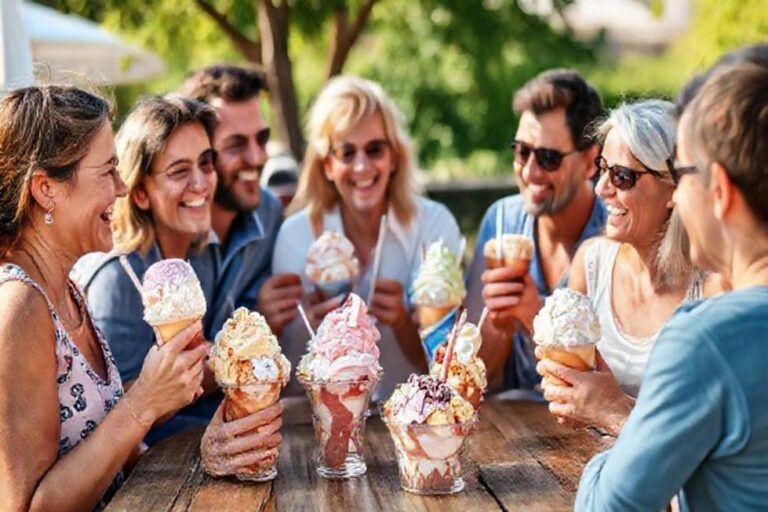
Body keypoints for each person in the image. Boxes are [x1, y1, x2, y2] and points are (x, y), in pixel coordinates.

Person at [0, 85, 209, 510]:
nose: (122, 186)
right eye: (108, 170)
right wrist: (144, 402)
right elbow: (26, 507)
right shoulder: (19, 306)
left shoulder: (68, 289)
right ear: (46, 189)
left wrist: (185, 420)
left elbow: (108, 455)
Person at [576, 61, 768, 511]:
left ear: (718, 189)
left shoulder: (707, 336)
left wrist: (621, 451)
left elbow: (610, 506)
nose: (681, 197)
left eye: (682, 177)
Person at [74, 95, 285, 467]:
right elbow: (106, 425)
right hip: (155, 474)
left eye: (206, 163)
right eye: (179, 171)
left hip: (211, 450)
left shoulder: (200, 256)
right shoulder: (117, 279)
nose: (202, 183)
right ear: (139, 192)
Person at [535, 100, 718, 435]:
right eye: (602, 168)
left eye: (622, 176)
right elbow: (571, 403)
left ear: (673, 188)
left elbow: (712, 435)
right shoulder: (591, 263)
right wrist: (569, 395)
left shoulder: (712, 288)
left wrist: (615, 410)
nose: (601, 188)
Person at [272, 75, 462, 397]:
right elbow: (284, 382)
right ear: (327, 165)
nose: (362, 166)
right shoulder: (297, 237)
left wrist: (405, 327)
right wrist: (313, 335)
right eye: (346, 152)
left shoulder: (433, 227)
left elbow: (454, 370)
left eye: (375, 149)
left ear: (395, 157)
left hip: (416, 420)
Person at [466, 69, 605, 392]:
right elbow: (475, 379)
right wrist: (500, 327)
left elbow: (609, 383)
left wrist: (534, 316)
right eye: (521, 151)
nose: (529, 172)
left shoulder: (614, 234)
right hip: (514, 426)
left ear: (590, 162)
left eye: (548, 158)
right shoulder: (501, 220)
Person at [178, 64, 294, 337]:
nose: (257, 158)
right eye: (236, 144)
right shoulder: (170, 226)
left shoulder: (270, 214)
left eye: (262, 139)